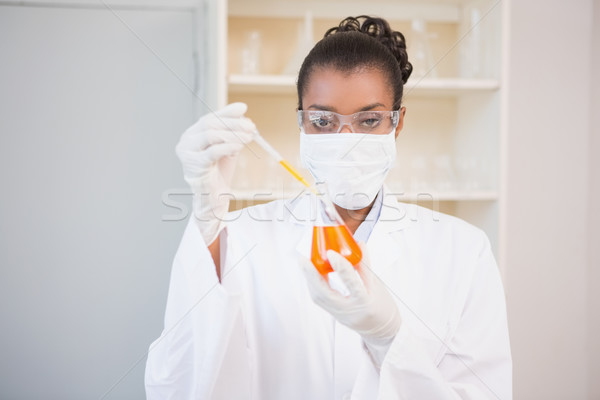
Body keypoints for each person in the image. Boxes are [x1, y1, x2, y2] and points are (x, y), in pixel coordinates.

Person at [145, 16, 512, 399]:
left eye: (370, 120)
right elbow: (176, 387)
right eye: (323, 120)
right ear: (302, 123)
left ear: (398, 123)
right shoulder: (237, 238)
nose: (346, 139)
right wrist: (207, 223)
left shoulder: (464, 251)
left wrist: (389, 341)